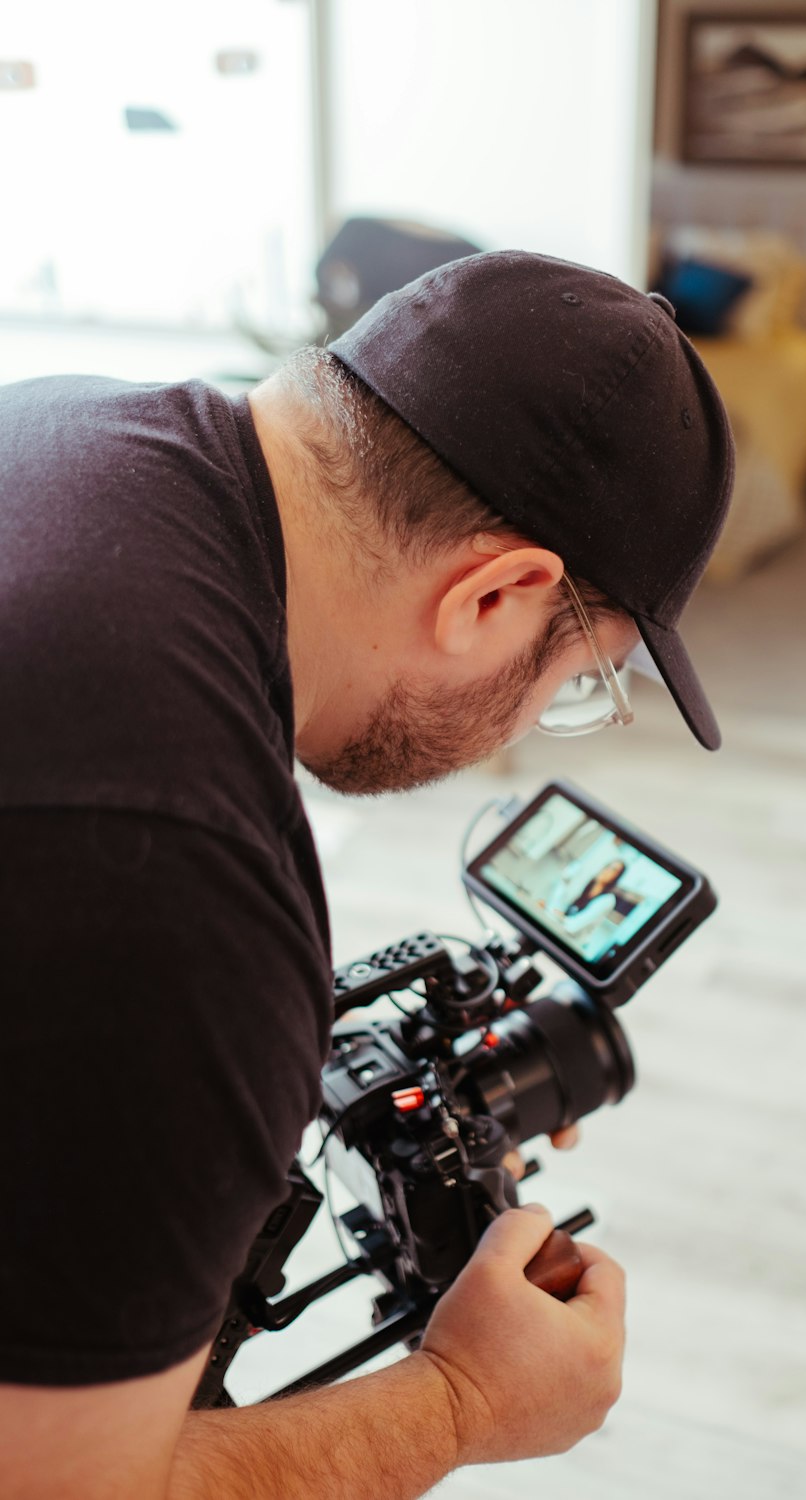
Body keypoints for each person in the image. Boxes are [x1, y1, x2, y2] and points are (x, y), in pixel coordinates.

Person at [0, 249, 734, 1498]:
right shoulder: (177, 890)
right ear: (497, 591)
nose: (518, 728)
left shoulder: (62, 421)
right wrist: (458, 1403)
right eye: (571, 688)